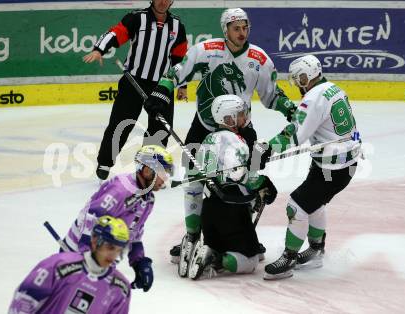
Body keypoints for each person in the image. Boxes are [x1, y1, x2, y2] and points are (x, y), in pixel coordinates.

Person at [143, 7, 296, 263]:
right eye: (236, 28)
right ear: (225, 30)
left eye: (245, 27)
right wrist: (161, 92)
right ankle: (192, 236)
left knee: (243, 181)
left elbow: (272, 95)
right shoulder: (206, 51)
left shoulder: (259, 59)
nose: (242, 33)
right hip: (203, 126)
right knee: (194, 181)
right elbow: (177, 72)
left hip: (240, 129)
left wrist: (291, 110)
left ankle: (243, 236)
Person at [262, 55, 362, 280]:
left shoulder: (313, 97)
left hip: (333, 169)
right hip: (339, 163)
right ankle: (316, 250)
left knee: (296, 206)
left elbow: (295, 135)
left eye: (299, 79)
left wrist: (267, 148)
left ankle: (288, 259)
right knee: (313, 204)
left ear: (306, 77)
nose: (298, 84)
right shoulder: (333, 88)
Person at [83, 0, 187, 180]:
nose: (163, 2)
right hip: (133, 82)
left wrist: (182, 84)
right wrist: (99, 49)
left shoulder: (177, 25)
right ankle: (105, 162)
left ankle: (150, 168)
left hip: (162, 85)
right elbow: (115, 33)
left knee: (160, 130)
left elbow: (179, 57)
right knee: (120, 124)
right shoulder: (137, 18)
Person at [180, 94, 278, 279]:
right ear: (228, 118)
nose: (244, 117)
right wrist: (262, 183)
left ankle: (210, 247)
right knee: (250, 261)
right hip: (231, 212)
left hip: (208, 214)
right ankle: (215, 258)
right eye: (240, 114)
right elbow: (237, 174)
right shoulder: (236, 141)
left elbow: (194, 180)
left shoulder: (208, 140)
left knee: (240, 247)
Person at [62, 145, 174, 291]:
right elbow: (92, 216)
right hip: (77, 254)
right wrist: (85, 255)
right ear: (147, 171)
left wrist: (139, 263)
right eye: (163, 173)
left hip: (104, 259)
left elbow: (135, 233)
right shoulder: (120, 189)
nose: (165, 179)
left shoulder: (148, 200)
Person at [9, 215, 132, 313]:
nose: (114, 255)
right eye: (110, 247)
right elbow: (24, 300)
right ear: (95, 241)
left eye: (119, 250)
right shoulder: (57, 266)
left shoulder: (121, 288)